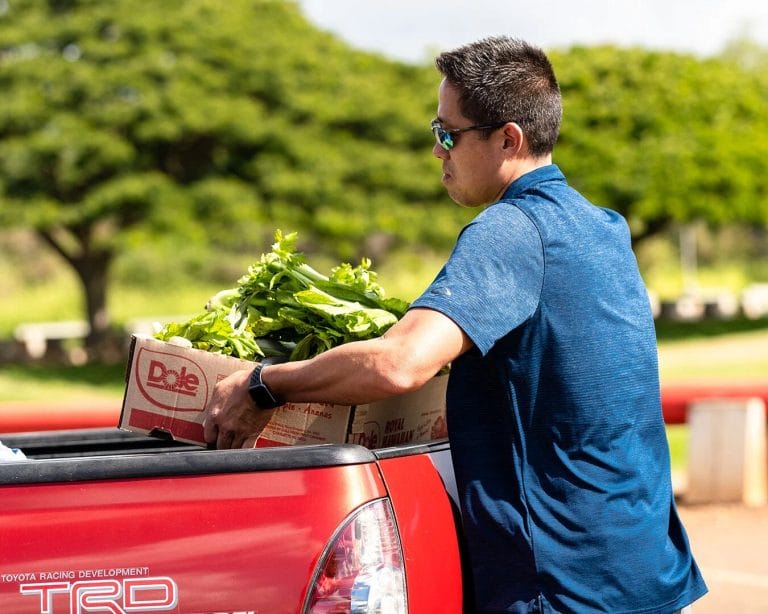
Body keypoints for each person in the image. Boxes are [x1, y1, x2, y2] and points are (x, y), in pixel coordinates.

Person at [203, 36, 707, 613]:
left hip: (562, 584)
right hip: (640, 566)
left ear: (508, 139)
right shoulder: (604, 227)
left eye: (447, 134)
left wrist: (265, 384)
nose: (437, 151)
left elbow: (399, 364)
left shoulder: (511, 231)